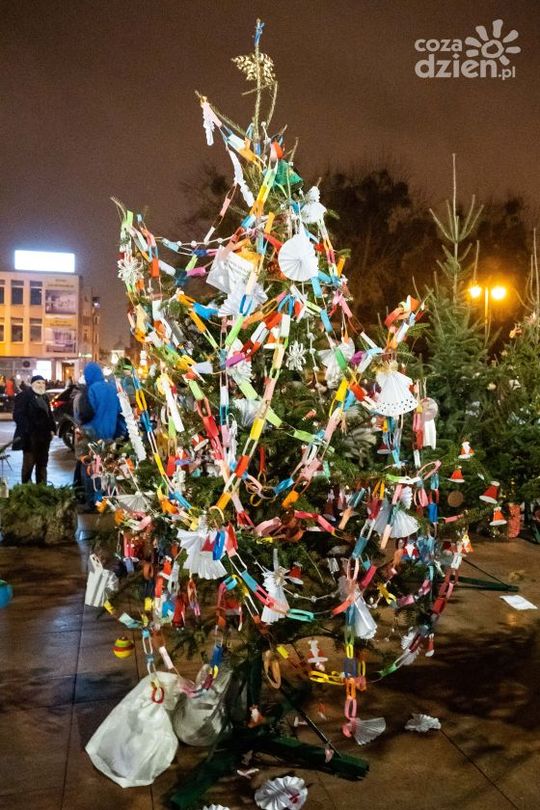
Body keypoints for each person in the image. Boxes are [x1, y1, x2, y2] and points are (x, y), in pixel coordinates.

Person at [74, 362, 123, 508]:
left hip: (91, 436)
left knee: (90, 468)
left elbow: (84, 414)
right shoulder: (112, 388)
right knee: (107, 468)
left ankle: (93, 501)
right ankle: (107, 500)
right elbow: (119, 411)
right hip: (109, 435)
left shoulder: (90, 390)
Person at [13, 375, 56, 484]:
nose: (41, 385)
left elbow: (49, 415)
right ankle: (27, 489)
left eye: (43, 383)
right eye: (38, 383)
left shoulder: (44, 397)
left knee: (42, 465)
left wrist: (52, 429)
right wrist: (29, 429)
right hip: (30, 439)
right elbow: (18, 415)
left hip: (44, 439)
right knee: (28, 466)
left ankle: (42, 488)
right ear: (32, 384)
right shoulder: (24, 396)